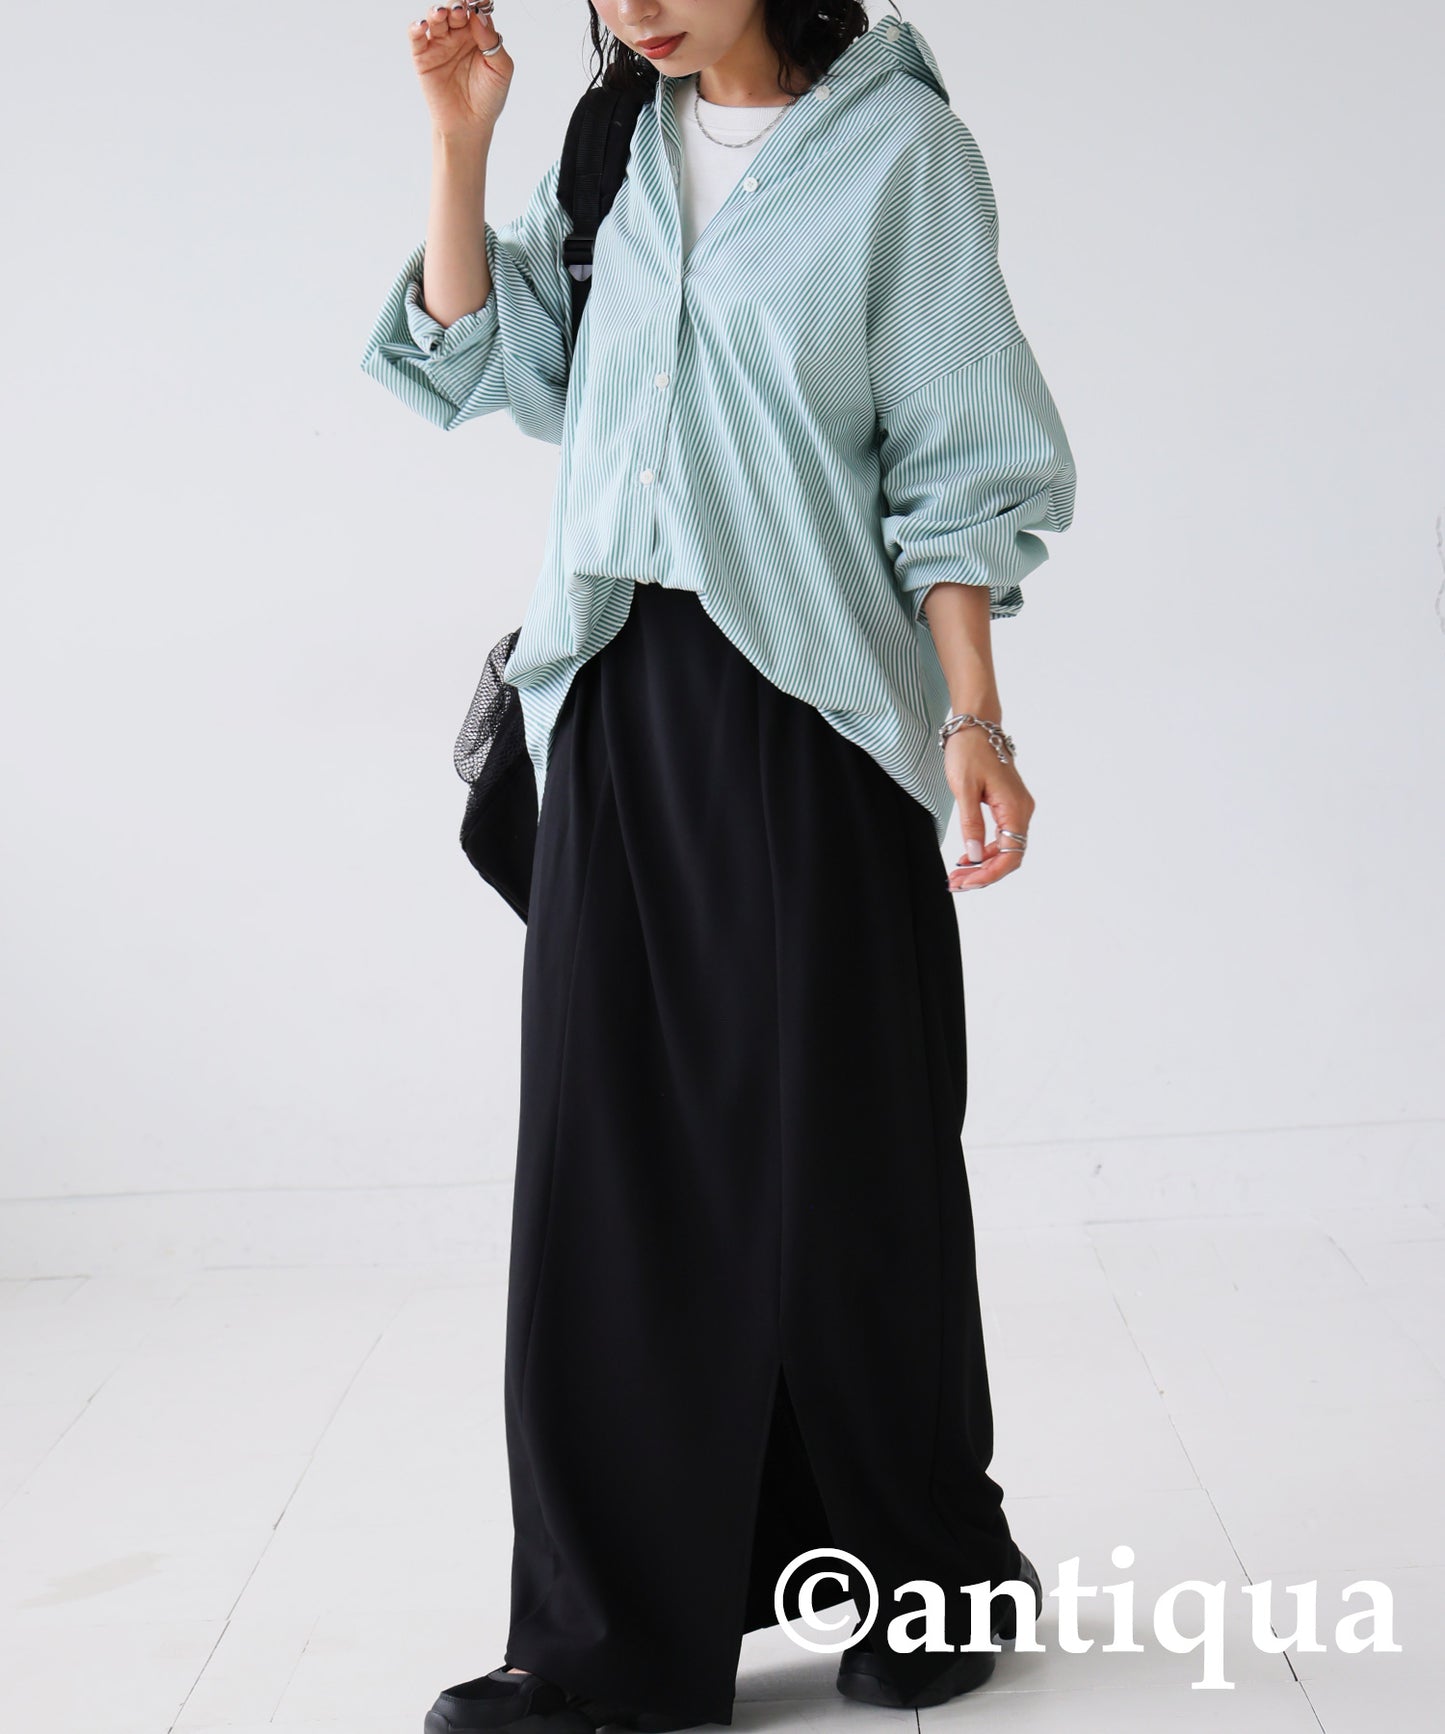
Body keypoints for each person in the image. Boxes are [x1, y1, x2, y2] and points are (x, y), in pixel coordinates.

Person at [359, 4, 1077, 1731]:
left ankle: (926, 1570)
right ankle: (601, 1641)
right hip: (612, 689)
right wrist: (461, 143)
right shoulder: (608, 141)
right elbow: (482, 364)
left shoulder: (900, 157)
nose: (634, 1)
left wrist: (973, 720)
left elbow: (958, 459)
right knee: (604, 1165)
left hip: (810, 705)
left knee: (848, 1155)